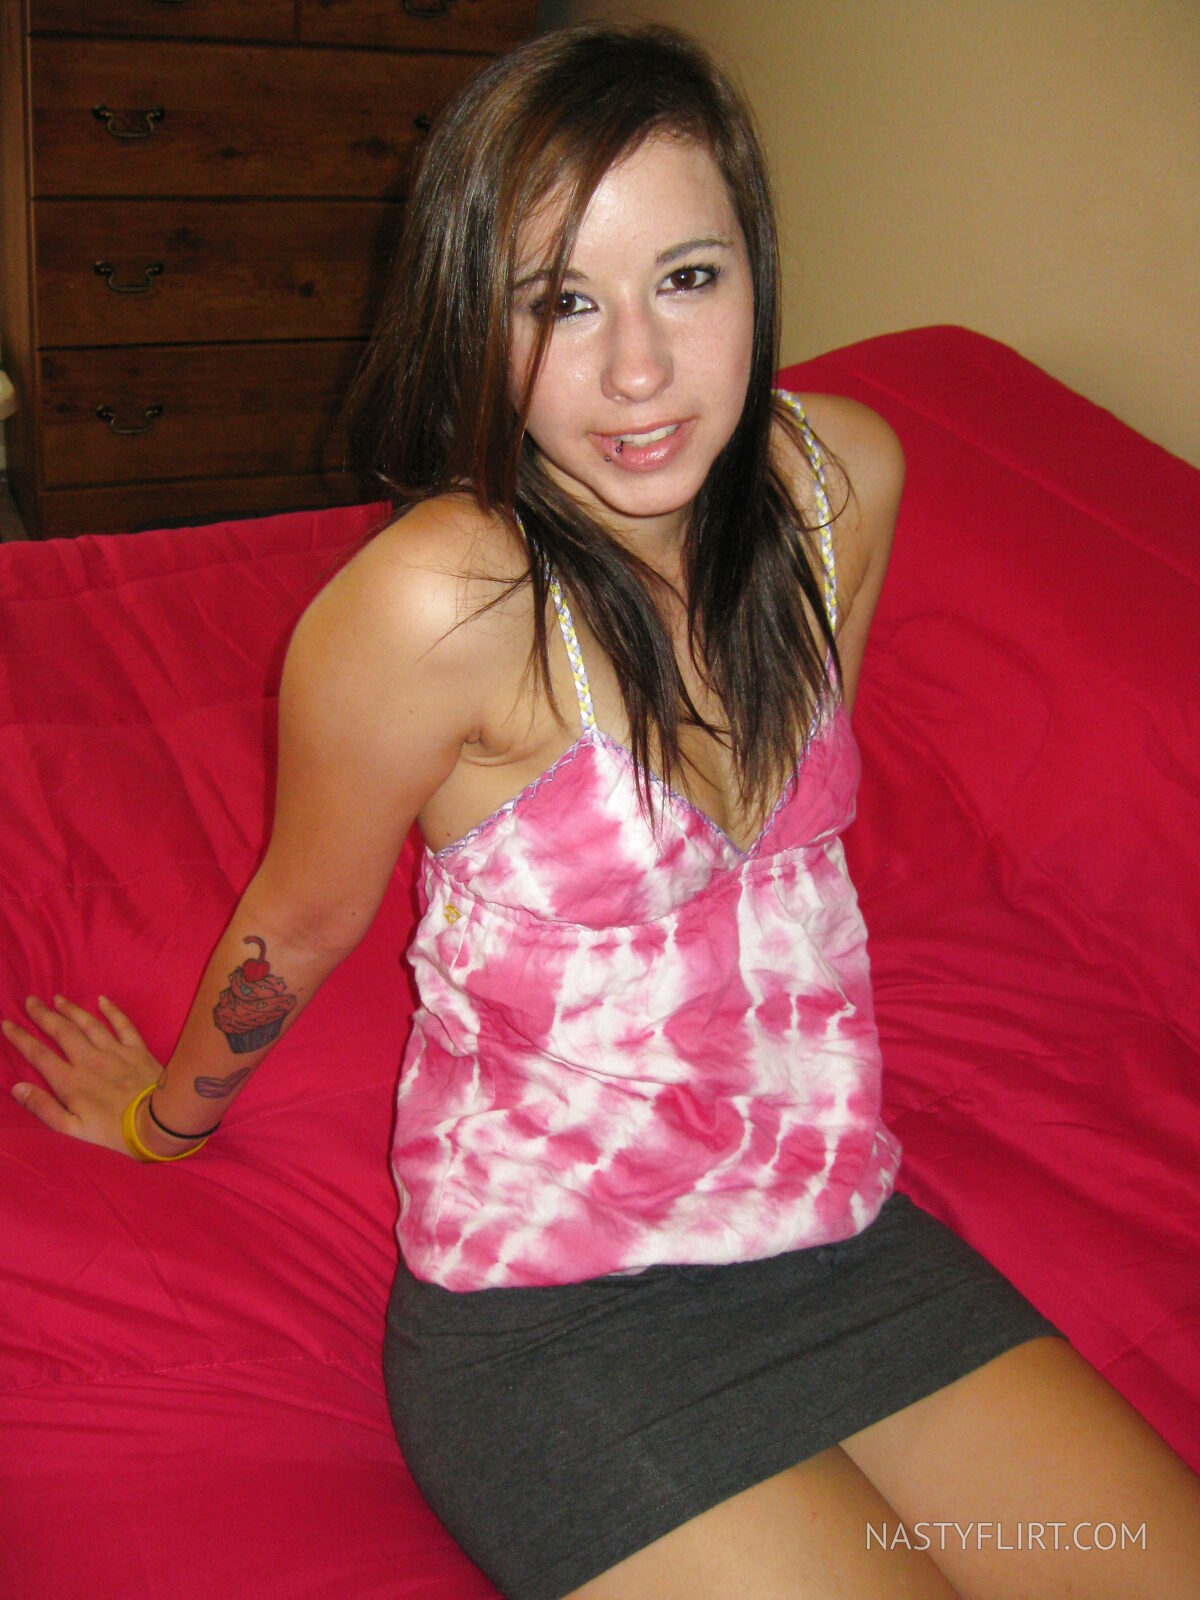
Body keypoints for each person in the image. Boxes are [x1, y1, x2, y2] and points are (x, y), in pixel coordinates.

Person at [4, 23, 1199, 1600]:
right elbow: (300, 923)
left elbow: (781, 833)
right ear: (473, 323)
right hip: (555, 1312)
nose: (638, 372)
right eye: (559, 302)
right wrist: (162, 1123)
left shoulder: (846, 482)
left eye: (687, 279)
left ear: (757, 272)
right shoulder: (432, 605)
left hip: (840, 1231)